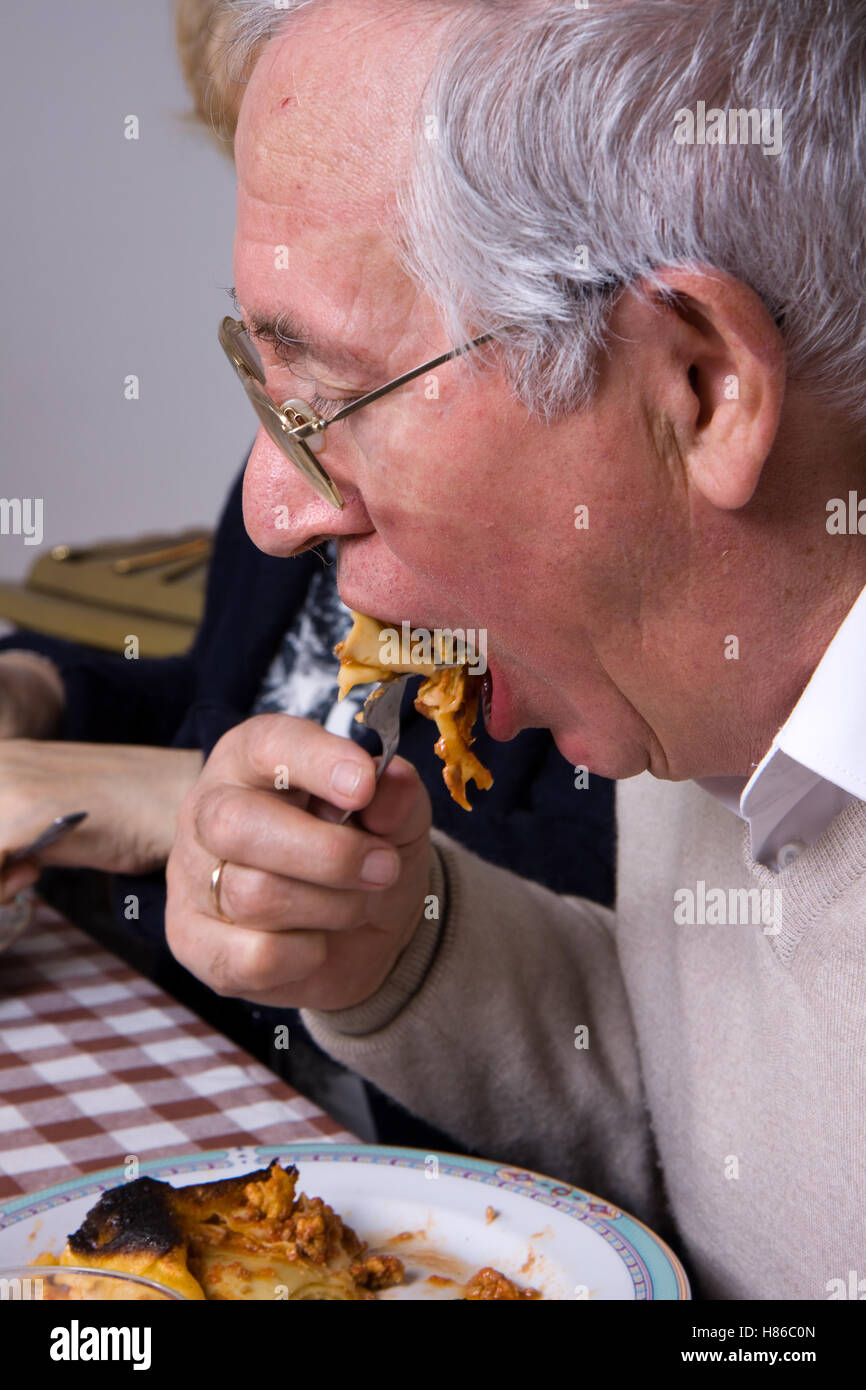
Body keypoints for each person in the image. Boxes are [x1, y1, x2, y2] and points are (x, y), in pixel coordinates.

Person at [160, 0, 866, 1300]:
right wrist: (404, 948)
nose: (271, 511)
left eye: (328, 402)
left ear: (699, 388)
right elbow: (715, 1143)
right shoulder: (687, 690)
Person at [0, 0, 614, 1145]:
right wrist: (35, 687)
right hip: (214, 1073)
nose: (276, 504)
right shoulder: (294, 472)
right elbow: (226, 701)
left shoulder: (562, 495)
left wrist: (168, 801)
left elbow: (614, 922)